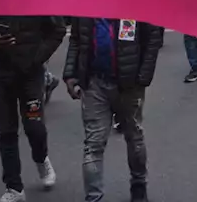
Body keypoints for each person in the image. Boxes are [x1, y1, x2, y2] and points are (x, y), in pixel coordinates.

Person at [63, 17, 164, 202]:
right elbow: (77, 40)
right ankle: (94, 197)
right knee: (93, 142)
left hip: (129, 85)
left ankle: (139, 185)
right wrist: (70, 74)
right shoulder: (86, 5)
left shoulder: (135, 0)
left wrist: (143, 76)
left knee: (134, 136)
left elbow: (153, 38)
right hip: (95, 83)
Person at [0, 16, 66, 202]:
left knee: (34, 127)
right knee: (7, 131)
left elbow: (58, 30)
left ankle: (41, 157)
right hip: (0, 75)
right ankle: (14, 187)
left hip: (31, 74)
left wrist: (38, 56)